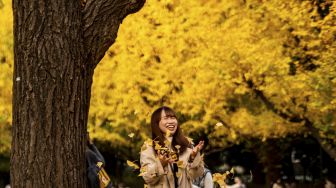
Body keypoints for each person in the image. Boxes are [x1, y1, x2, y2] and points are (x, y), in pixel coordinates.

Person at [140, 106, 205, 188]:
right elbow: (147, 178)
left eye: (173, 118)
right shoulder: (149, 147)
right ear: (156, 123)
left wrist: (193, 158)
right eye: (166, 118)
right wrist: (160, 164)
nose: (171, 121)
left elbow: (195, 176)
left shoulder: (187, 144)